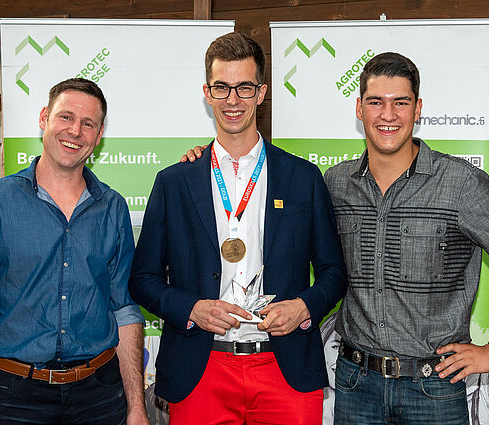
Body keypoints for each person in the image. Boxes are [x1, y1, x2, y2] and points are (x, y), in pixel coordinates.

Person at [129, 32, 347, 425]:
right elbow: (142, 279)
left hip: (285, 367)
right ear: (207, 93)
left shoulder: (303, 177)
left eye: (244, 87)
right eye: (222, 87)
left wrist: (303, 307)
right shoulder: (174, 181)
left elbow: (334, 273)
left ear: (261, 92)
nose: (233, 100)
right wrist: (191, 307)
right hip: (201, 367)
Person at [323, 52, 489, 424]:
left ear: (418, 109)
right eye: (376, 102)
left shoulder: (459, 183)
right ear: (359, 108)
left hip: (433, 389)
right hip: (354, 384)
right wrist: (203, 161)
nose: (388, 114)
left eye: (401, 102)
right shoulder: (336, 184)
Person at [0, 78, 149, 425]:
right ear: (43, 118)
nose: (75, 131)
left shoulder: (112, 207)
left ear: (99, 137)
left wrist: (137, 408)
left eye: (88, 124)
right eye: (65, 117)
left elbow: (125, 311)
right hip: (13, 398)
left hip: (99, 395)